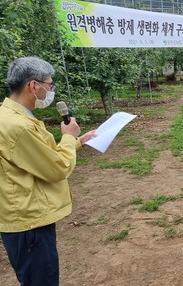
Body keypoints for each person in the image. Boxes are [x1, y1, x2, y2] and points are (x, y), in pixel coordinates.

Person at [0, 57, 96, 286]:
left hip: (22, 217)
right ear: (34, 86)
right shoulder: (19, 127)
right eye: (49, 85)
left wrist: (77, 143)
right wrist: (68, 136)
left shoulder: (9, 117)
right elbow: (56, 168)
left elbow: (37, 159)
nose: (50, 90)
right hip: (29, 222)